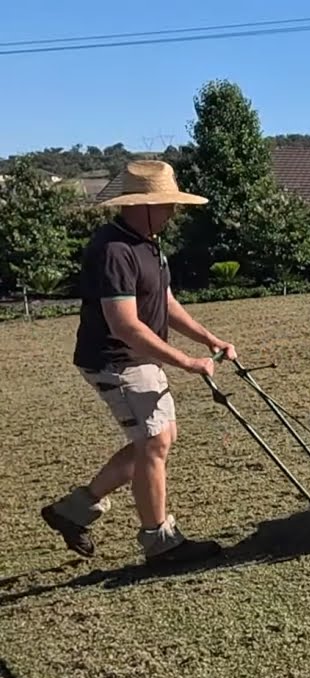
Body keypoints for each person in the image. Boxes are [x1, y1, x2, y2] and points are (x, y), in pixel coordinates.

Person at [41, 160, 237, 567]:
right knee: (155, 443)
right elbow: (125, 325)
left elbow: (165, 303)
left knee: (156, 439)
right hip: (116, 359)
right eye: (167, 204)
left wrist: (210, 339)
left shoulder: (148, 244)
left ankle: (73, 511)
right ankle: (159, 542)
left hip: (137, 356)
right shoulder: (114, 250)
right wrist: (187, 361)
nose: (173, 212)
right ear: (142, 204)